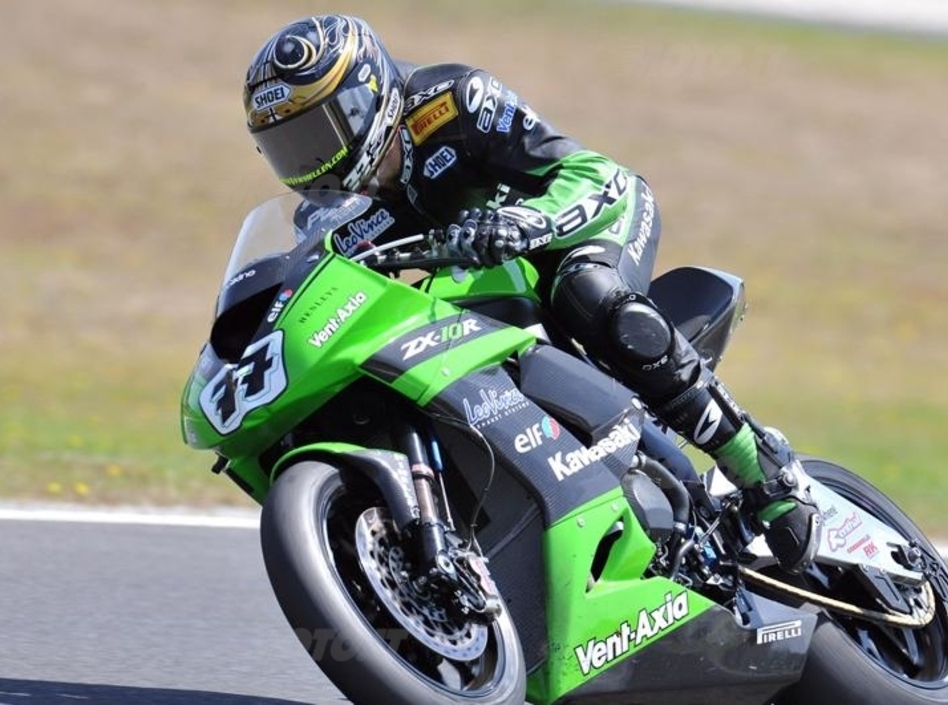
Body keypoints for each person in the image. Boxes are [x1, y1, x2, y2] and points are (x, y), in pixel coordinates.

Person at [242, 15, 820, 573]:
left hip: (584, 219)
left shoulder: (455, 102)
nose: (309, 163)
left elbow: (591, 175)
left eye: (315, 136)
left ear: (363, 102)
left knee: (587, 291)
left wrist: (524, 224)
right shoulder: (332, 218)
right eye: (288, 147)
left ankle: (762, 467)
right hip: (484, 275)